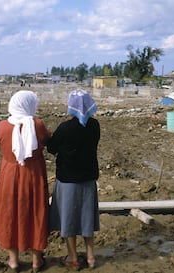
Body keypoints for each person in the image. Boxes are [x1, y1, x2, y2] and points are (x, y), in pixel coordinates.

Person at [0, 90, 51, 273]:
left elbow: (2, 143)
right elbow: (48, 140)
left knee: (10, 213)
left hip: (9, 174)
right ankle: (36, 260)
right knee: (35, 212)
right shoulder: (37, 125)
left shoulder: (2, 126)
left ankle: (13, 260)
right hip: (32, 174)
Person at [47, 89, 100, 270]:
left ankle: (73, 257)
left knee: (68, 220)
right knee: (87, 220)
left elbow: (52, 148)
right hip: (88, 180)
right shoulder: (95, 126)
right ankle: (91, 257)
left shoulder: (65, 128)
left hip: (67, 181)